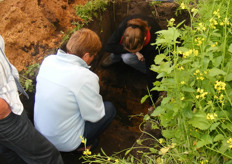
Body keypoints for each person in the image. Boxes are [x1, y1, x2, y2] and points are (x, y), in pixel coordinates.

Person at [34, 28, 116, 152]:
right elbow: (94, 116)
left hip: (41, 135)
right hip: (64, 142)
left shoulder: (49, 61)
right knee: (109, 109)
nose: (93, 58)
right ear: (86, 55)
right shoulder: (86, 77)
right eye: (93, 55)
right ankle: (82, 146)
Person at [0, 35, 64, 164]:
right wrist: (5, 111)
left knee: (10, 152)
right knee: (48, 156)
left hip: (8, 106)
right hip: (6, 116)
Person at [102, 14, 162, 107]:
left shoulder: (153, 42)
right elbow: (109, 46)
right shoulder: (125, 26)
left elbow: (152, 76)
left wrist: (152, 103)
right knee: (118, 54)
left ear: (144, 40)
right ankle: (114, 59)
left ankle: (144, 70)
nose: (133, 53)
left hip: (149, 53)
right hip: (131, 46)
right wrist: (133, 51)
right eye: (131, 51)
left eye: (135, 50)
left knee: (128, 58)